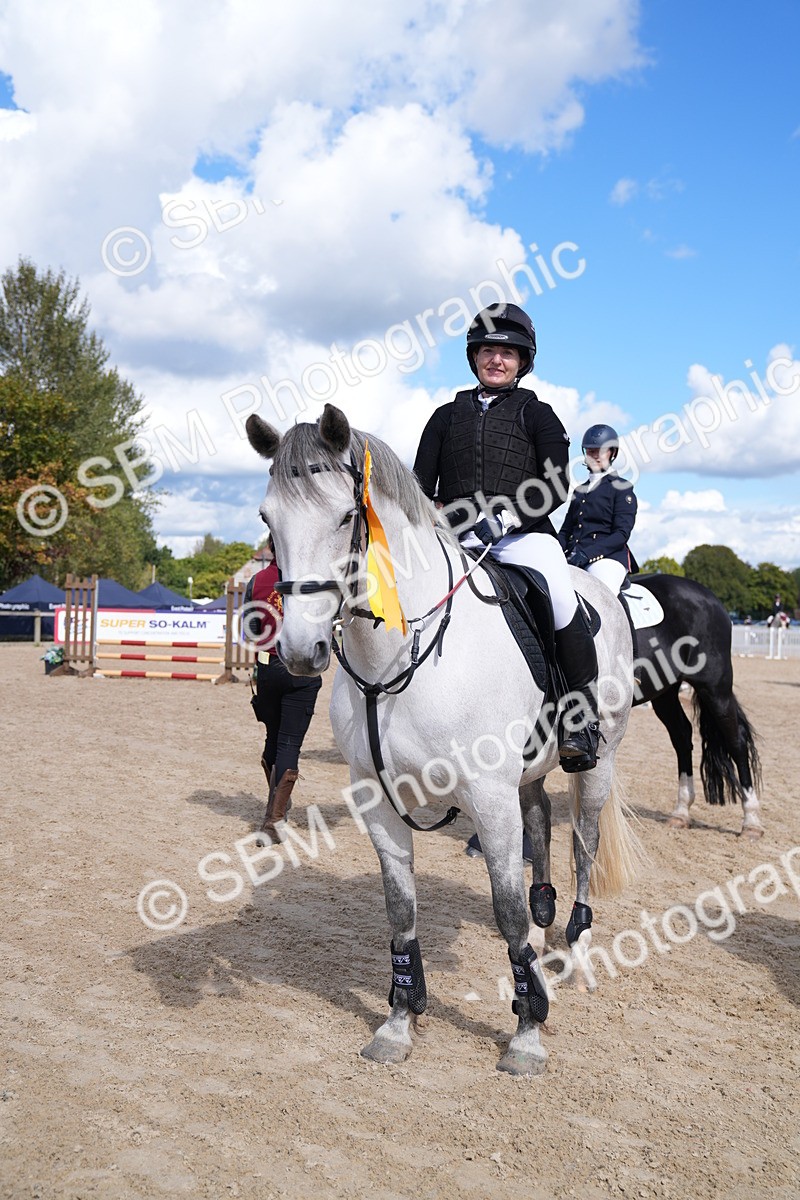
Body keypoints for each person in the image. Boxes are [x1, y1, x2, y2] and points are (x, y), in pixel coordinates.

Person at [413, 301, 601, 772]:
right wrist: (437, 518)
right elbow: (419, 486)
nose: (497, 360)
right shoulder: (444, 415)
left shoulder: (538, 414)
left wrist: (508, 517)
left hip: (524, 537)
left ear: (522, 362)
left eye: (509, 353)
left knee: (559, 595)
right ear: (475, 356)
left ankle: (579, 717)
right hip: (458, 540)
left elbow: (556, 483)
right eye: (488, 351)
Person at [244, 541, 322, 844]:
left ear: (269, 547)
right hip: (299, 672)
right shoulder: (309, 583)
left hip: (266, 668)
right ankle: (274, 820)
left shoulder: (256, 581)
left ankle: (278, 801)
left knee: (272, 738)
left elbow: (251, 630)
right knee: (289, 743)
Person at [558, 424, 638, 596]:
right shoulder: (579, 490)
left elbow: (621, 534)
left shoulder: (622, 488)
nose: (594, 456)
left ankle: (624, 623)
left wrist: (587, 554)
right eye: (590, 451)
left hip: (607, 559)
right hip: (574, 556)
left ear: (612, 453)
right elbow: (565, 531)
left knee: (601, 595)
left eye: (600, 451)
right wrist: (553, 551)